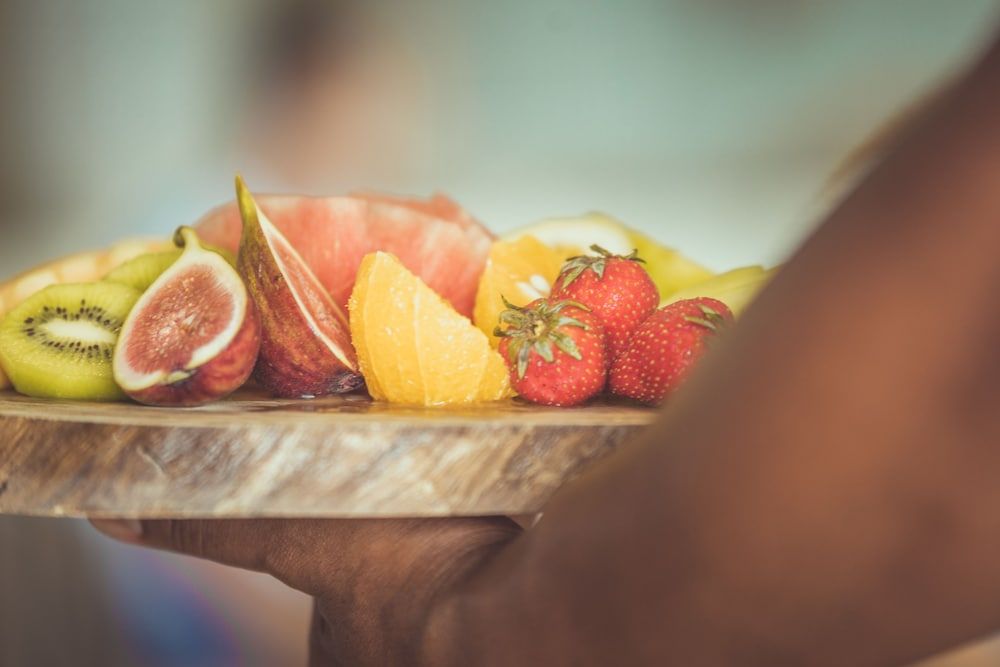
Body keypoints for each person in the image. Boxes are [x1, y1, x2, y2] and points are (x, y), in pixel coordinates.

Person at [92, 29, 1000, 666]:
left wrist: (461, 625)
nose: (387, 135)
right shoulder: (184, 226)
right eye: (370, 107)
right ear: (300, 95)